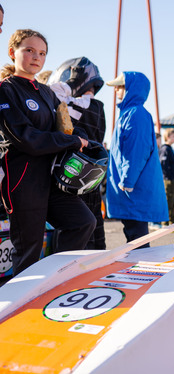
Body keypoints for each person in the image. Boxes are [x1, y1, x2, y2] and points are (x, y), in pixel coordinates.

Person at [0, 29, 95, 275]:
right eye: (29, 50)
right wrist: (71, 142)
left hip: (52, 179)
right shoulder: (5, 90)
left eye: (42, 53)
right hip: (23, 180)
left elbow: (68, 128)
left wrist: (81, 137)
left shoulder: (46, 92)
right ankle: (19, 307)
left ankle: (56, 278)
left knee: (83, 222)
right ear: (12, 52)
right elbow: (26, 138)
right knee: (28, 251)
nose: (36, 57)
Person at [48, 56, 107, 249]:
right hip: (91, 179)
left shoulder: (82, 105)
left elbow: (55, 94)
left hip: (72, 175)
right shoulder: (97, 107)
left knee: (78, 234)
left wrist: (70, 85)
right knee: (94, 230)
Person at [105, 71, 168, 246]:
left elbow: (137, 151)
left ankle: (140, 271)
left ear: (131, 89)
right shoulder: (132, 113)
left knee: (137, 237)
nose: (116, 89)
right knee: (134, 234)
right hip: (133, 187)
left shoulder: (135, 114)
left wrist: (127, 180)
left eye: (121, 86)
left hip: (133, 188)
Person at [159, 128, 174, 225]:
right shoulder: (165, 149)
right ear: (167, 137)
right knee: (168, 200)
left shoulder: (171, 149)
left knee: (173, 200)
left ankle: (172, 221)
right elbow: (163, 165)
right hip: (168, 180)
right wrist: (169, 176)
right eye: (173, 136)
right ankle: (165, 222)